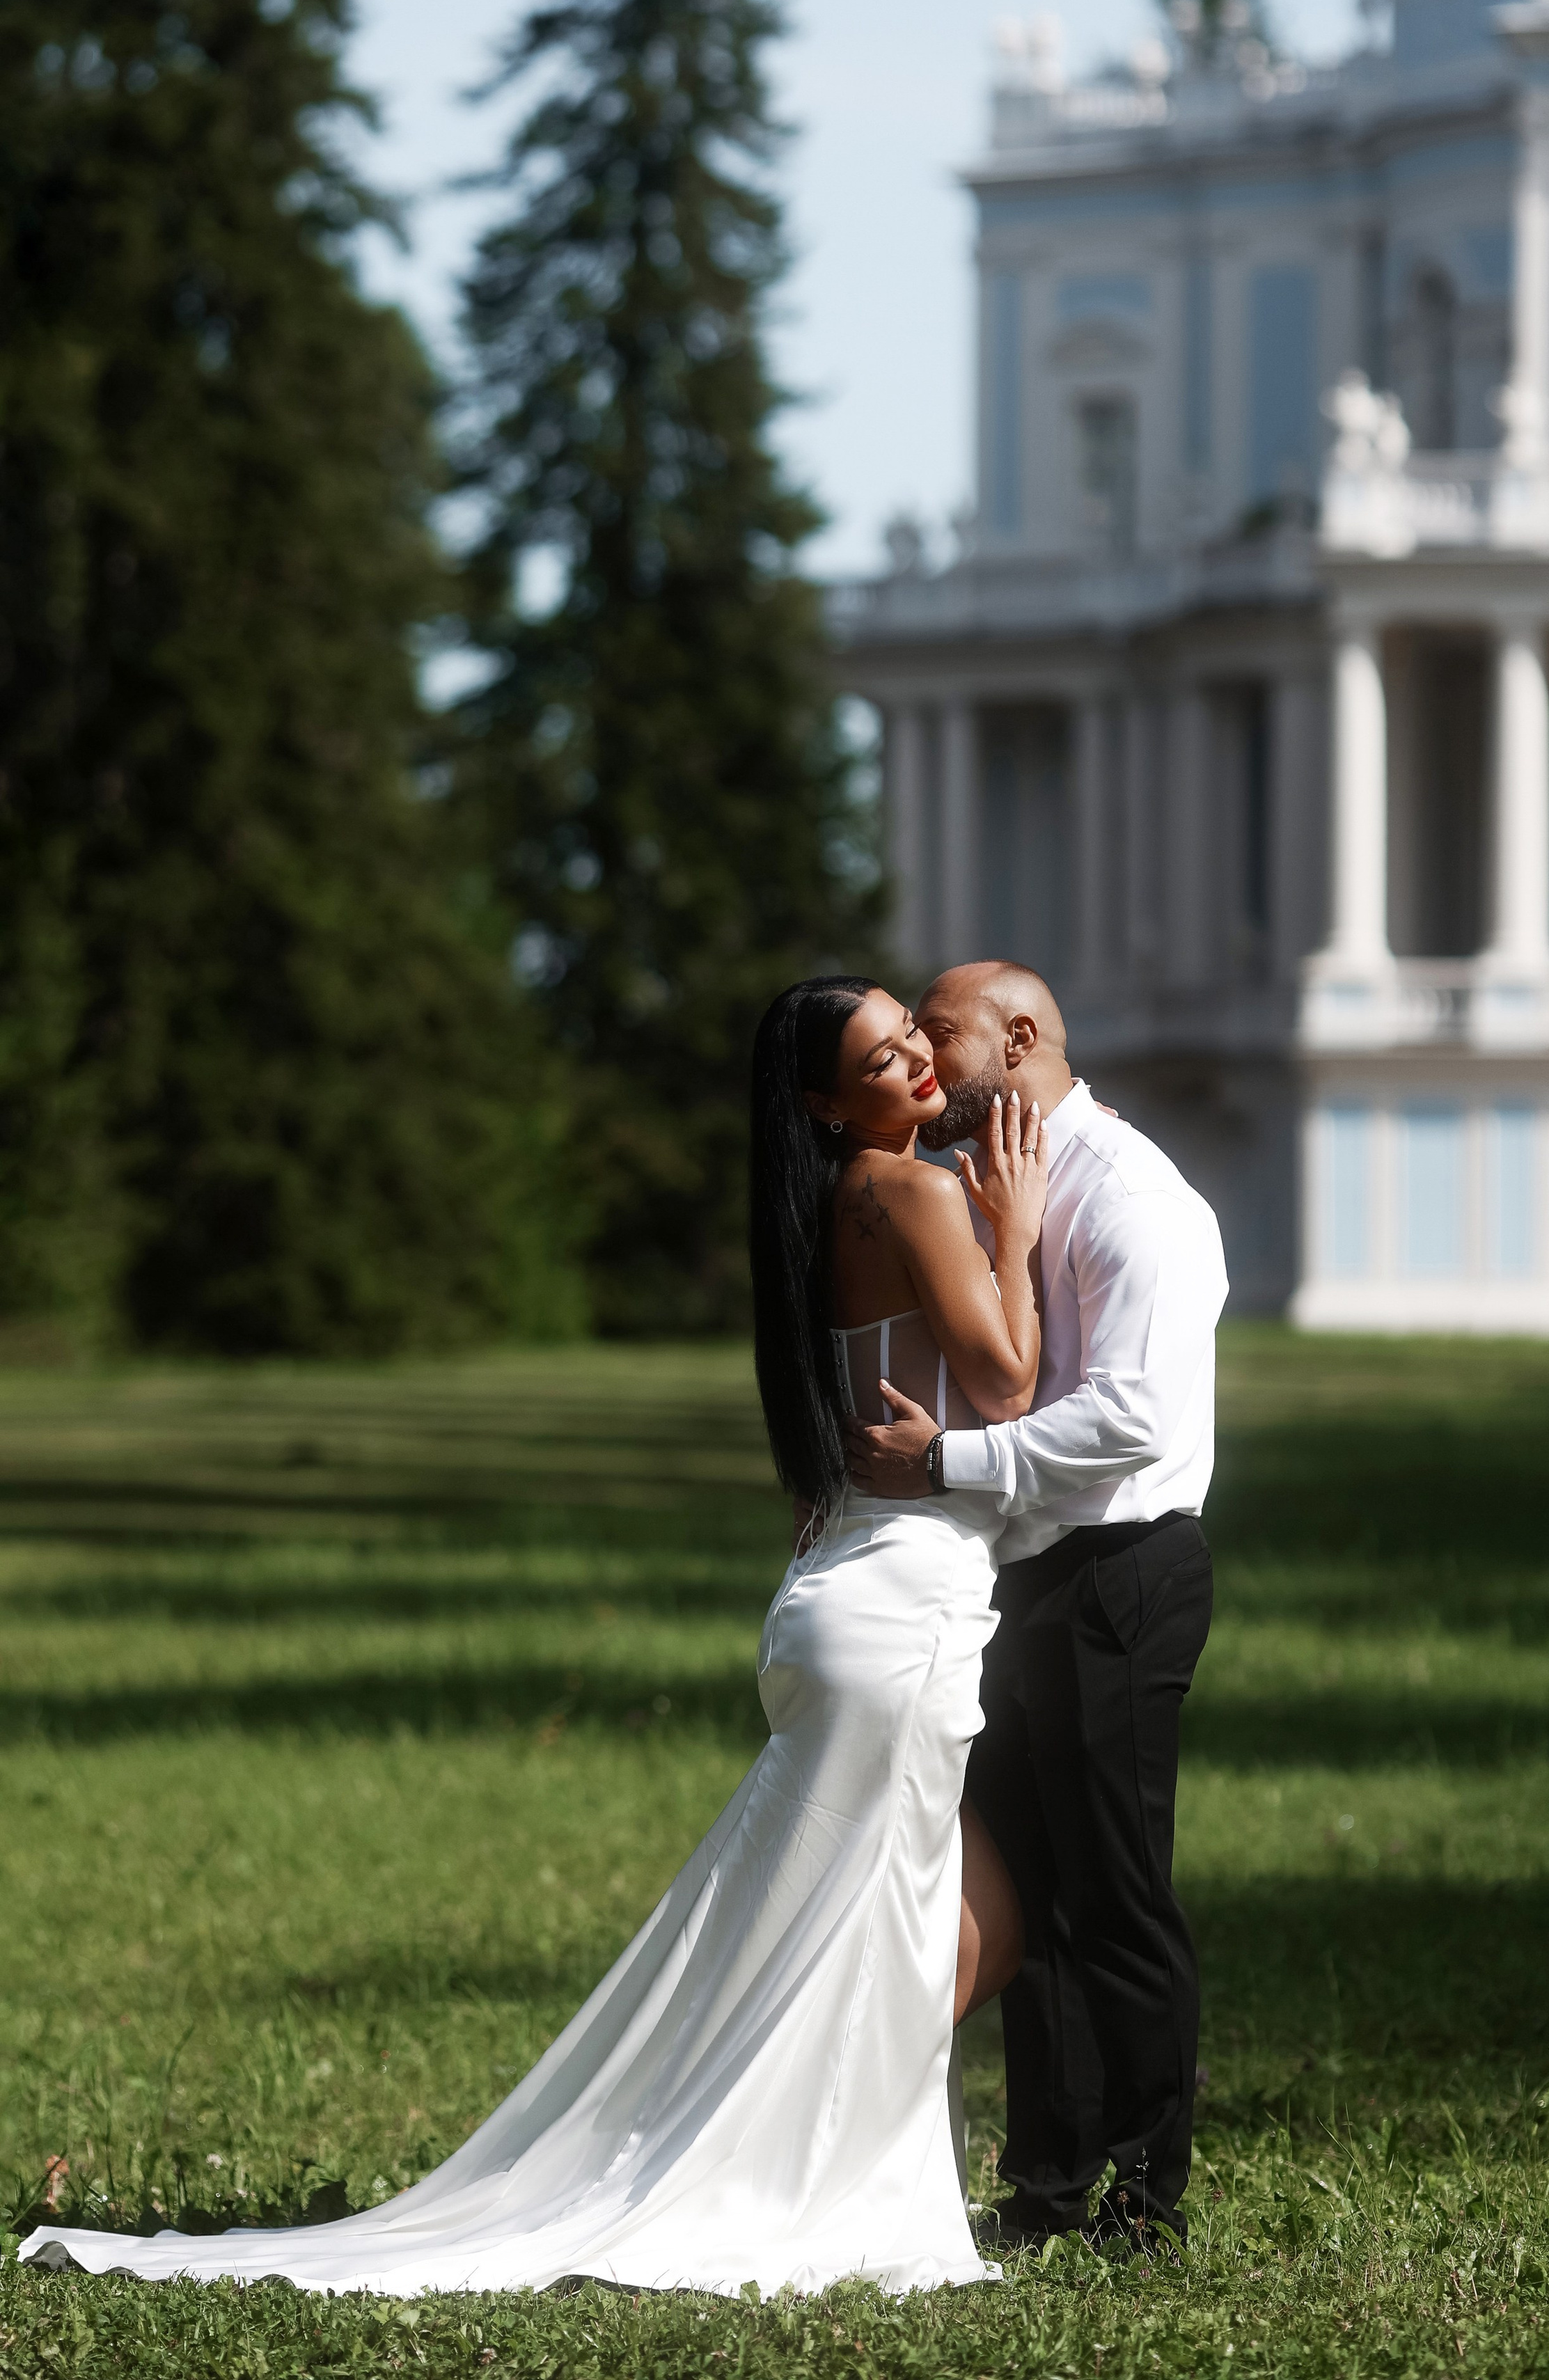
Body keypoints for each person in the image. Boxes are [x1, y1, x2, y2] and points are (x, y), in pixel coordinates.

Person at [23, 977, 1043, 2300]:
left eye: (912, 1033)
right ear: (820, 1101)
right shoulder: (907, 1192)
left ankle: (782, 2140)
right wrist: (1012, 1229)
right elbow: (1009, 1379)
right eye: (878, 1055)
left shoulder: (815, 1214)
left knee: (957, 1926)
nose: (912, 1059)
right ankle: (768, 2168)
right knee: (884, 1930)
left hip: (852, 1587)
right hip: (898, 1610)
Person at [849, 961, 1226, 2255]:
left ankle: (1148, 2194)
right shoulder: (996, 1185)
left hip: (1123, 1572)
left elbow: (1129, 1421)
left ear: (1020, 1037)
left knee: (1117, 1895)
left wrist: (942, 1466)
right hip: (1023, 1575)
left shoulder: (1139, 1201)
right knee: (1037, 1899)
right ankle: (1048, 2186)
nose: (927, 1062)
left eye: (940, 1035)